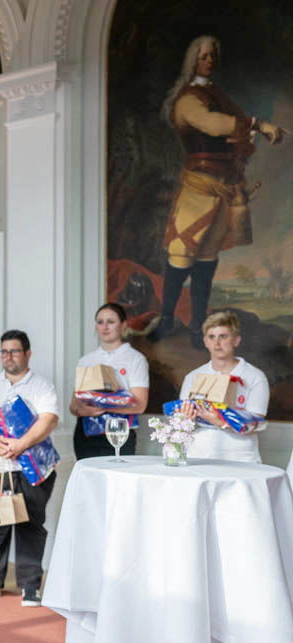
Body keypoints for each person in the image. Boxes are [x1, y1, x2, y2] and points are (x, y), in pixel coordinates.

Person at [150, 35, 285, 346]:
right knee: (181, 253)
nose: (210, 61)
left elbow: (234, 125)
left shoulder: (217, 95)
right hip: (199, 187)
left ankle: (198, 327)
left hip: (225, 187)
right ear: (193, 60)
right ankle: (167, 319)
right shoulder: (188, 100)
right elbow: (213, 124)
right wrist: (258, 125)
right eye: (204, 56)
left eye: (213, 56)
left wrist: (251, 130)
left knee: (207, 258)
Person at [0, 330, 59, 607]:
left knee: (31, 526)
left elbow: (49, 420)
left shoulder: (42, 386)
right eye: (4, 352)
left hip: (30, 470)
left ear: (28, 354)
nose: (8, 357)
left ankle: (30, 587)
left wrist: (21, 444)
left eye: (14, 351)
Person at [178, 311, 269, 463]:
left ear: (236, 340)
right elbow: (183, 422)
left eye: (223, 336)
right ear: (205, 341)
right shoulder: (192, 377)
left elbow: (256, 424)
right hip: (198, 456)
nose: (217, 343)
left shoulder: (255, 377)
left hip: (240, 459)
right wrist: (186, 419)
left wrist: (220, 422)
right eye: (211, 337)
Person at [69, 302, 149, 459]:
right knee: (87, 473)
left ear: (123, 325)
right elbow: (73, 406)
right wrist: (84, 411)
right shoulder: (86, 360)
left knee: (116, 474)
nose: (105, 327)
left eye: (111, 322)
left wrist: (103, 407)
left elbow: (140, 405)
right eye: (100, 322)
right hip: (86, 431)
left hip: (118, 429)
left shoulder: (135, 359)